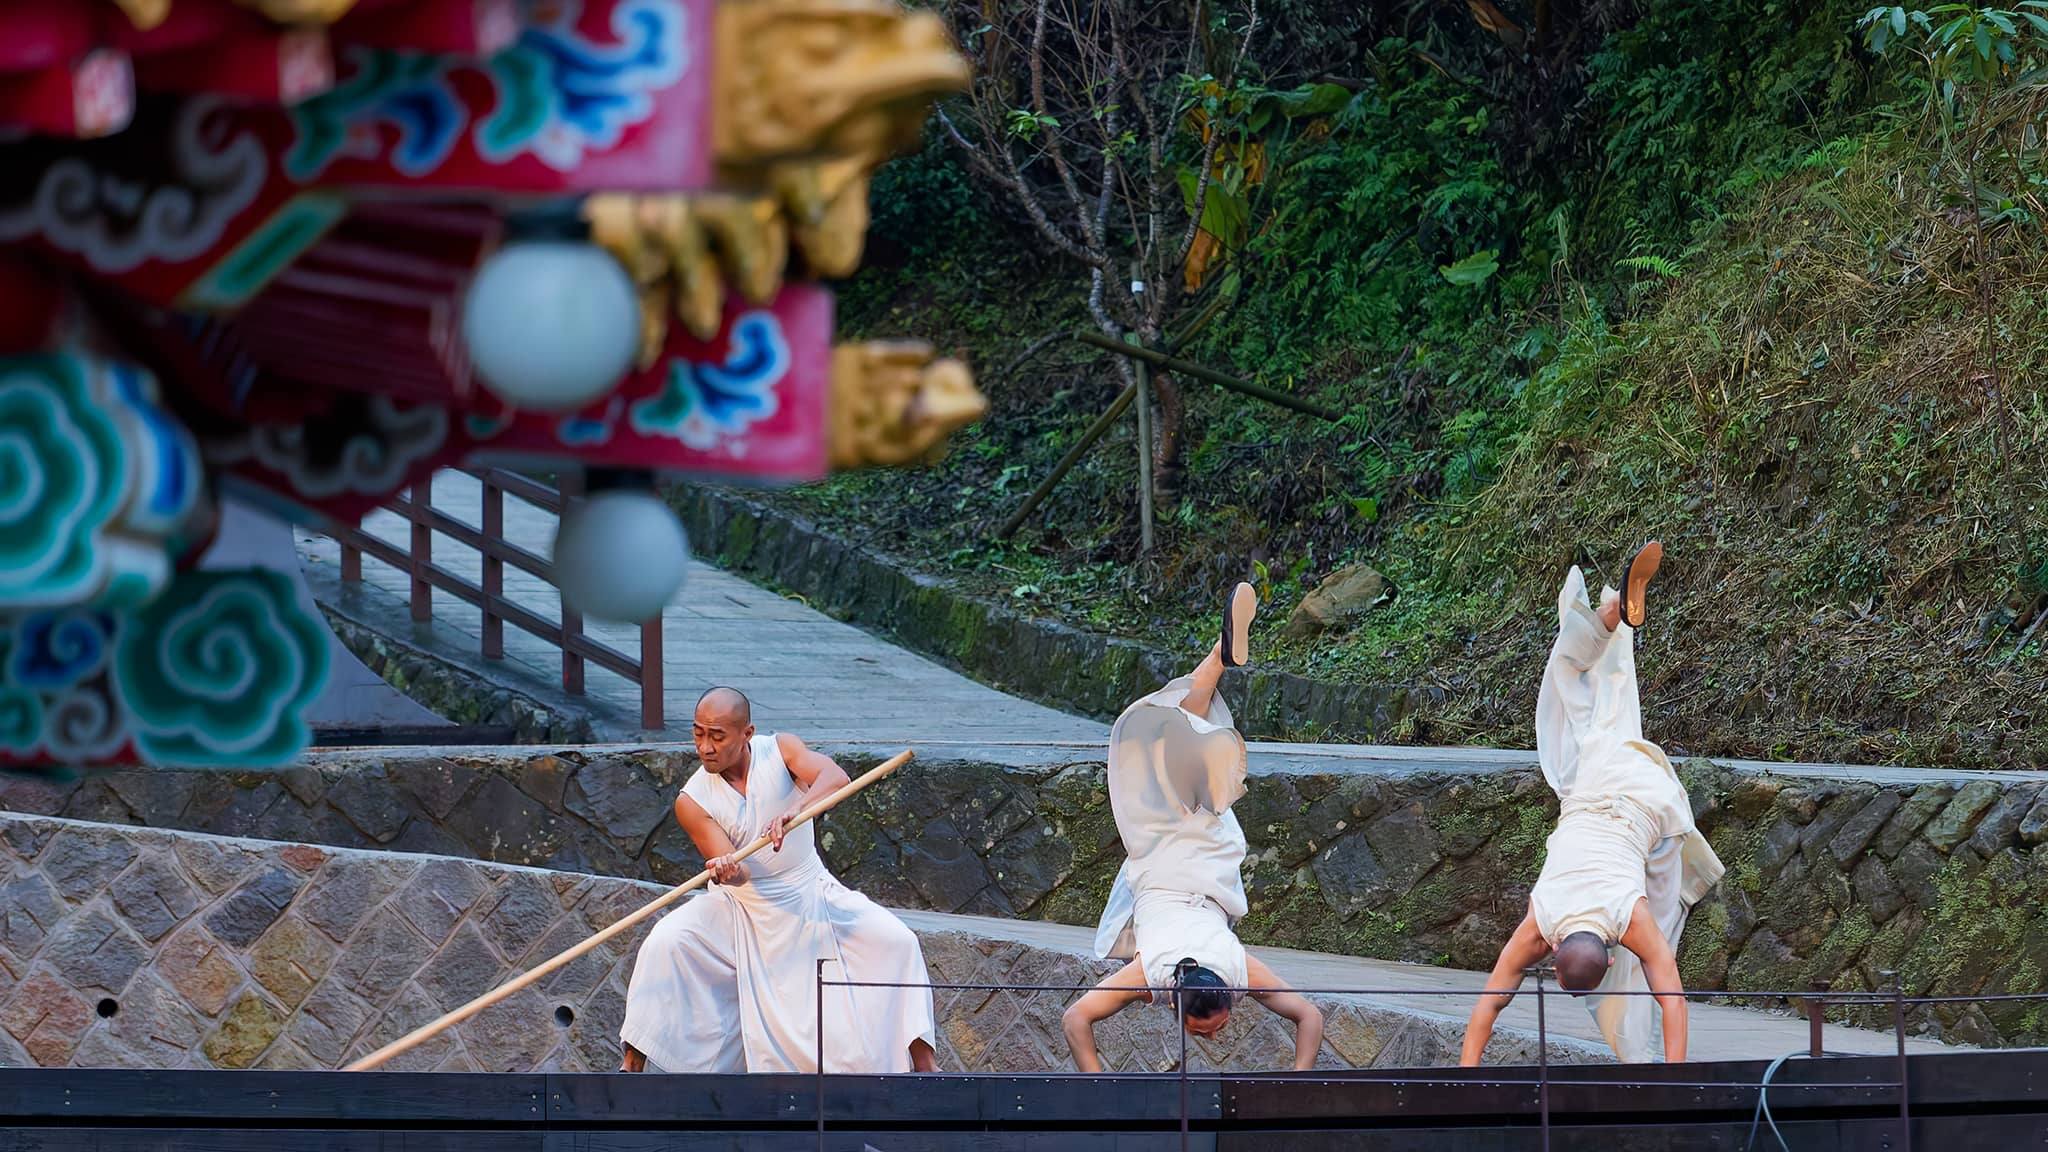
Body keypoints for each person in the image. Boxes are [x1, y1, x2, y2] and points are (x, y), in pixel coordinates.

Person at [1459, 543, 1724, 1065]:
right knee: (1576, 697)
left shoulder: (1625, 921)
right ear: (1558, 955)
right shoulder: (1543, 919)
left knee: (1601, 703)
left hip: (1648, 799)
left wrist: (1468, 1075)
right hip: (1596, 786)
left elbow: (1671, 994)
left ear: (1557, 956)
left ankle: (1612, 619)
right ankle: (1610, 620)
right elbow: (1491, 1000)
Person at [1063, 583, 1325, 1072]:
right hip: (1172, 857)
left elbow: (1308, 1017)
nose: (1214, 1033)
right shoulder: (1162, 973)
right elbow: (1076, 1019)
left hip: (1196, 858)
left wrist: (1100, 1090)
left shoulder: (1194, 971)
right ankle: (1218, 657)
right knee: (1168, 748)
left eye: (1207, 1028)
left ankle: (1219, 657)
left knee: (1179, 749)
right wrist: (1298, 1085)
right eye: (1214, 1028)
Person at [619, 687, 940, 1073]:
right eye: (698, 733)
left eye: (717, 736)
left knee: (897, 941)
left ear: (747, 733)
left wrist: (795, 809)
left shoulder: (781, 750)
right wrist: (728, 870)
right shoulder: (692, 801)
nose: (705, 746)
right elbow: (739, 872)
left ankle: (925, 1064)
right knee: (666, 942)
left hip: (811, 891)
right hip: (742, 905)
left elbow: (833, 777)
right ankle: (631, 1065)